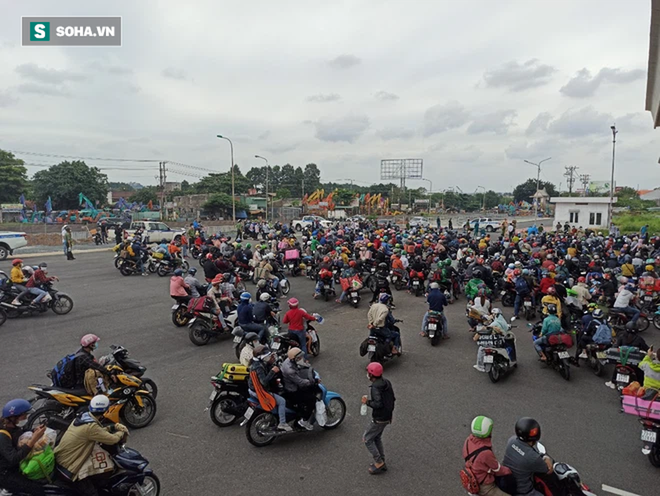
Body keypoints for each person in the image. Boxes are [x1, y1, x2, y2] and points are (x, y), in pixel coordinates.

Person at [54, 395, 127, 495]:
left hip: (60, 458)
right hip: (68, 467)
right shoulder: (90, 426)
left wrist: (112, 427)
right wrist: (121, 432)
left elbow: (97, 433)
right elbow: (112, 440)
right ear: (104, 410)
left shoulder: (83, 417)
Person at [0, 399, 47, 495]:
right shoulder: (3, 436)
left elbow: (21, 432)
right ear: (13, 417)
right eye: (24, 415)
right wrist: (33, 439)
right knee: (38, 490)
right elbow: (13, 458)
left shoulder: (12, 427)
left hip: (15, 468)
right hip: (5, 474)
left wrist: (34, 431)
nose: (26, 417)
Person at [462, 416, 512, 496]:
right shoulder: (485, 452)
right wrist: (510, 471)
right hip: (484, 486)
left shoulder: (468, 440)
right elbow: (497, 469)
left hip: (473, 477)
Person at [502, 418, 553, 496]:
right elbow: (548, 470)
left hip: (505, 482)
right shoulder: (533, 458)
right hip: (523, 492)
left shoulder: (511, 441)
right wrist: (546, 458)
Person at [361, 362, 395, 475]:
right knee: (376, 437)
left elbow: (378, 404)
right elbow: (392, 399)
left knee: (367, 439)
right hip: (387, 416)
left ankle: (379, 462)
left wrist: (367, 402)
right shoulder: (386, 383)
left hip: (379, 418)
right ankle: (382, 460)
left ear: (371, 375)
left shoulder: (375, 387)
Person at [248, 345, 292, 431]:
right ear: (262, 357)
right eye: (268, 356)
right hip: (260, 391)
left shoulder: (255, 363)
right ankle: (282, 423)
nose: (269, 357)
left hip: (253, 389)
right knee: (282, 401)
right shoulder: (258, 367)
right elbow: (264, 382)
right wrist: (272, 372)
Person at [281, 347, 316, 430]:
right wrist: (312, 381)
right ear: (294, 359)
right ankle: (303, 421)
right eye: (299, 358)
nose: (301, 359)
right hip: (292, 390)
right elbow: (300, 382)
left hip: (289, 385)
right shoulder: (290, 370)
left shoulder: (288, 361)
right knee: (311, 400)